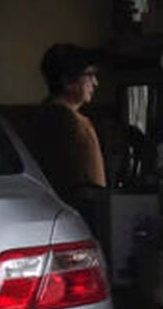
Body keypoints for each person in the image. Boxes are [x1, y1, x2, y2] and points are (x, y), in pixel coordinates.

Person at [30, 44, 107, 223]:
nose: (95, 83)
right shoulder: (61, 118)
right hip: (76, 213)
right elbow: (77, 180)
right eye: (89, 75)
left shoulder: (62, 115)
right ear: (67, 80)